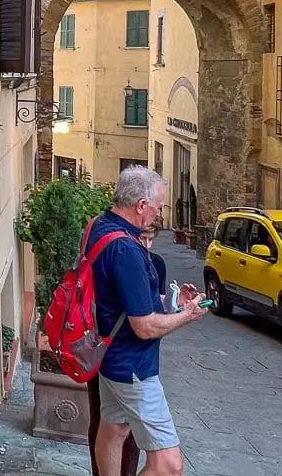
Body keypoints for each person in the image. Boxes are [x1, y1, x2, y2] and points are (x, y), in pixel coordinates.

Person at [85, 166, 206, 476]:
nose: (159, 213)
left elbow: (120, 298)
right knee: (168, 465)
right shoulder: (127, 249)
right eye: (158, 206)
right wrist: (186, 316)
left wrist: (170, 302)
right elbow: (144, 326)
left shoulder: (98, 226)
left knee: (114, 432)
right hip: (134, 368)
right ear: (140, 205)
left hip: (109, 358)